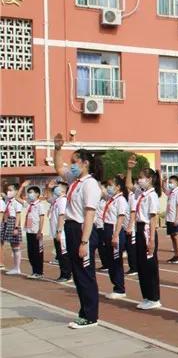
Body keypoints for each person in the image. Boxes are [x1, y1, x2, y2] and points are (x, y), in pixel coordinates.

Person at [53, 133, 103, 328]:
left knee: (85, 274)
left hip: (84, 230)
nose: (71, 165)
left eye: (74, 162)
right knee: (78, 273)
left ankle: (90, 316)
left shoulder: (90, 184)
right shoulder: (75, 179)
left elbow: (89, 214)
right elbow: (58, 168)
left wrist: (84, 242)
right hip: (71, 227)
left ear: (85, 163)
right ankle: (84, 312)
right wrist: (58, 149)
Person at [126, 157, 162, 310]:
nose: (139, 180)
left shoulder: (152, 196)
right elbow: (128, 185)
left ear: (149, 179)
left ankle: (154, 297)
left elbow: (153, 219)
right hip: (139, 229)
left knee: (149, 266)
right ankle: (146, 296)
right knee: (141, 265)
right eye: (138, 178)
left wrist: (152, 240)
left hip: (148, 230)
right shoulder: (141, 193)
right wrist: (129, 169)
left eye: (141, 178)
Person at [101, 176, 129, 300]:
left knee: (116, 261)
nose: (108, 187)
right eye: (107, 185)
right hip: (107, 228)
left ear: (118, 187)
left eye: (111, 185)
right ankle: (115, 286)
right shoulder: (111, 199)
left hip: (114, 230)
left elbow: (120, 218)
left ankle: (120, 288)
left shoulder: (121, 200)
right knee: (110, 260)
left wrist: (116, 235)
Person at [46, 180, 72, 283]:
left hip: (61, 233)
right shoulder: (56, 200)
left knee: (63, 254)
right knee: (59, 254)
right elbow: (48, 198)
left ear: (63, 189)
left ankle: (67, 275)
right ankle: (63, 274)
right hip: (55, 232)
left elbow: (62, 215)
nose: (56, 188)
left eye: (58, 186)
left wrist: (59, 231)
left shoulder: (63, 200)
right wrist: (49, 187)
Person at [19, 182, 45, 279]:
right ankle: (34, 271)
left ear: (37, 194)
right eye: (29, 192)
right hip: (29, 231)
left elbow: (42, 218)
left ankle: (39, 272)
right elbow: (17, 198)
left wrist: (39, 231)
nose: (30, 194)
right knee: (31, 253)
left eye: (31, 192)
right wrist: (22, 186)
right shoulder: (29, 204)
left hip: (36, 232)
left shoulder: (40, 205)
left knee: (37, 253)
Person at [1, 183, 23, 276]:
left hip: (13, 222)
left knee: (16, 246)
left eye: (11, 190)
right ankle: (15, 267)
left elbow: (18, 214)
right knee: (13, 246)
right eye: (8, 190)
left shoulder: (16, 202)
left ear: (16, 192)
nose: (8, 192)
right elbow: (3, 195)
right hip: (7, 223)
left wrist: (16, 227)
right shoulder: (8, 200)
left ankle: (17, 268)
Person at [164, 175, 178, 264]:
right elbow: (164, 190)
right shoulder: (171, 192)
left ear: (177, 183)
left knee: (176, 236)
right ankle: (176, 254)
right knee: (172, 236)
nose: (170, 184)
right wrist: (164, 181)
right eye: (169, 182)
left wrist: (177, 218)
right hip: (169, 217)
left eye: (171, 182)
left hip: (174, 218)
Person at [125, 183, 139, 276]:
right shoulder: (127, 195)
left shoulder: (133, 196)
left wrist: (130, 226)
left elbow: (133, 211)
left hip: (132, 227)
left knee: (131, 248)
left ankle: (134, 267)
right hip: (125, 226)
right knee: (128, 247)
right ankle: (132, 266)